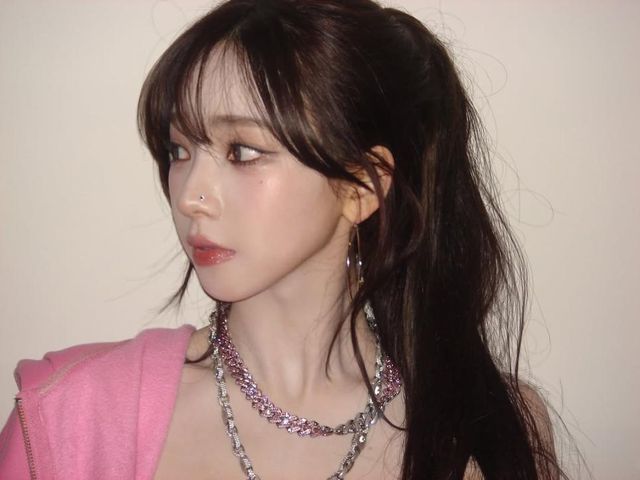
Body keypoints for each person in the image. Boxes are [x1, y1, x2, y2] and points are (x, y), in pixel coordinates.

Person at [0, 0, 564, 478]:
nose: (190, 195)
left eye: (242, 151)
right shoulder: (68, 416)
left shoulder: (486, 429)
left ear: (362, 186)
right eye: (179, 150)